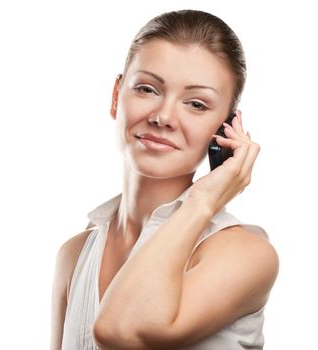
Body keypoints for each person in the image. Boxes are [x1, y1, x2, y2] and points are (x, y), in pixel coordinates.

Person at [50, 9, 279, 350]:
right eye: (147, 89)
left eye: (197, 104)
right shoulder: (75, 254)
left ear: (225, 128)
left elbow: (122, 331)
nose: (163, 117)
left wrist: (204, 200)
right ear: (116, 96)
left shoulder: (244, 254)